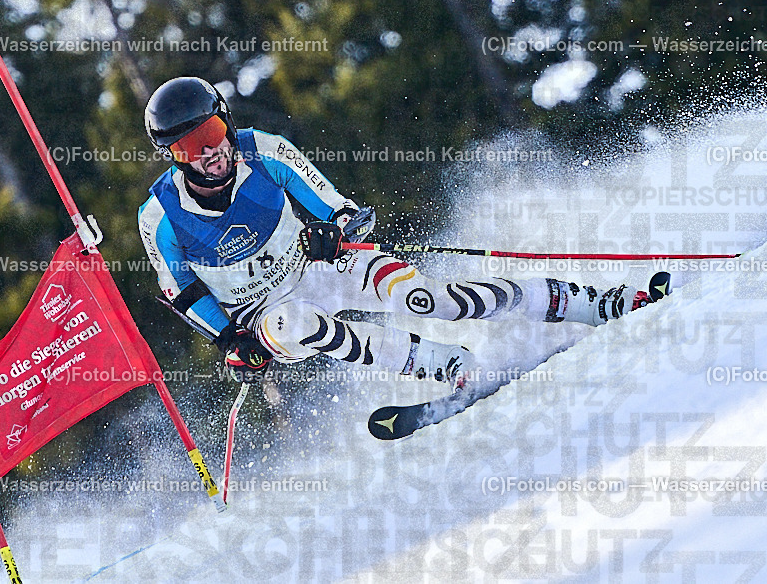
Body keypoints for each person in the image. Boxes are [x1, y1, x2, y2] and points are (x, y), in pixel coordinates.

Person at [138, 77, 652, 389]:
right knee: (297, 323)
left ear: (226, 124)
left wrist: (333, 232)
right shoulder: (159, 217)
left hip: (315, 268)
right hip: (262, 315)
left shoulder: (265, 149)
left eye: (210, 134)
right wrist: (230, 340)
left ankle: (585, 301)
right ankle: (444, 364)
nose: (207, 152)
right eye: (187, 148)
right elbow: (180, 292)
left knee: (431, 300)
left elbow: (344, 211)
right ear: (172, 157)